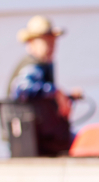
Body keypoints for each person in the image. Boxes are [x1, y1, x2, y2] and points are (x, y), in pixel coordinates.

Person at [6, 15, 82, 155]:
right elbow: (22, 89)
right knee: (83, 144)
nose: (51, 46)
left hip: (45, 136)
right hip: (39, 138)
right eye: (45, 41)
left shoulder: (42, 65)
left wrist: (66, 96)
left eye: (52, 42)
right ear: (31, 43)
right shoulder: (33, 66)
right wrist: (55, 92)